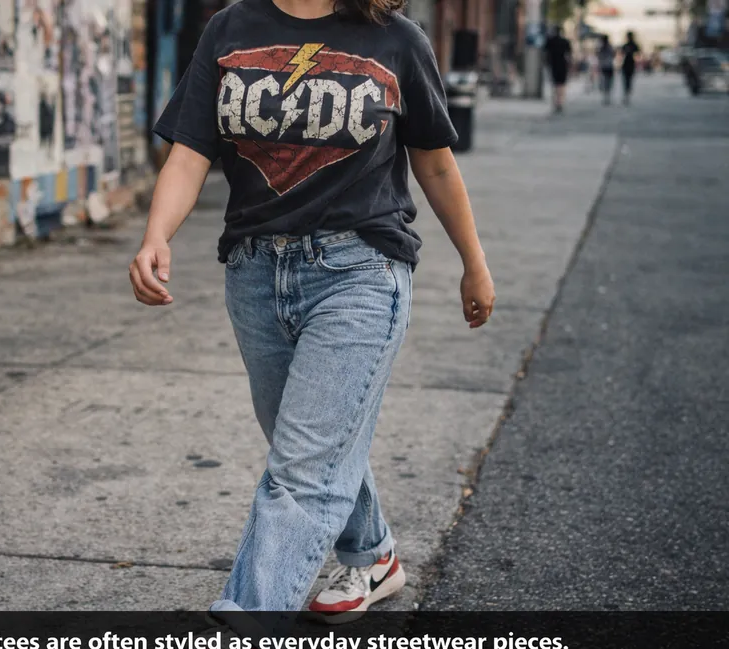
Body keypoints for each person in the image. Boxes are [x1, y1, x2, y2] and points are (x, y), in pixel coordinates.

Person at [130, 0, 495, 622]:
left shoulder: (396, 40)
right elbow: (191, 153)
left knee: (303, 465)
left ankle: (252, 611)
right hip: (253, 272)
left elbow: (434, 161)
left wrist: (474, 261)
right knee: (308, 444)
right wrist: (156, 234)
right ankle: (372, 555)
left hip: (361, 271)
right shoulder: (229, 28)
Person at [544, 26, 572, 113]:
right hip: (562, 65)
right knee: (561, 85)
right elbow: (569, 55)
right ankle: (560, 102)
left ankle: (556, 102)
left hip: (553, 65)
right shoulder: (565, 42)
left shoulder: (550, 41)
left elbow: (545, 53)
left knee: (555, 84)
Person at [620, 31, 640, 105]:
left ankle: (627, 94)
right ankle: (626, 94)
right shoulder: (626, 45)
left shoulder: (634, 45)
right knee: (626, 81)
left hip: (631, 65)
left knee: (628, 81)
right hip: (626, 65)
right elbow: (621, 54)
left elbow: (638, 55)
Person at [597, 35, 616, 105]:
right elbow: (613, 55)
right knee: (608, 82)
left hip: (603, 67)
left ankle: (606, 96)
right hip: (609, 66)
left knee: (604, 81)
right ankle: (607, 95)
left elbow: (599, 57)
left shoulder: (601, 48)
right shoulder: (610, 47)